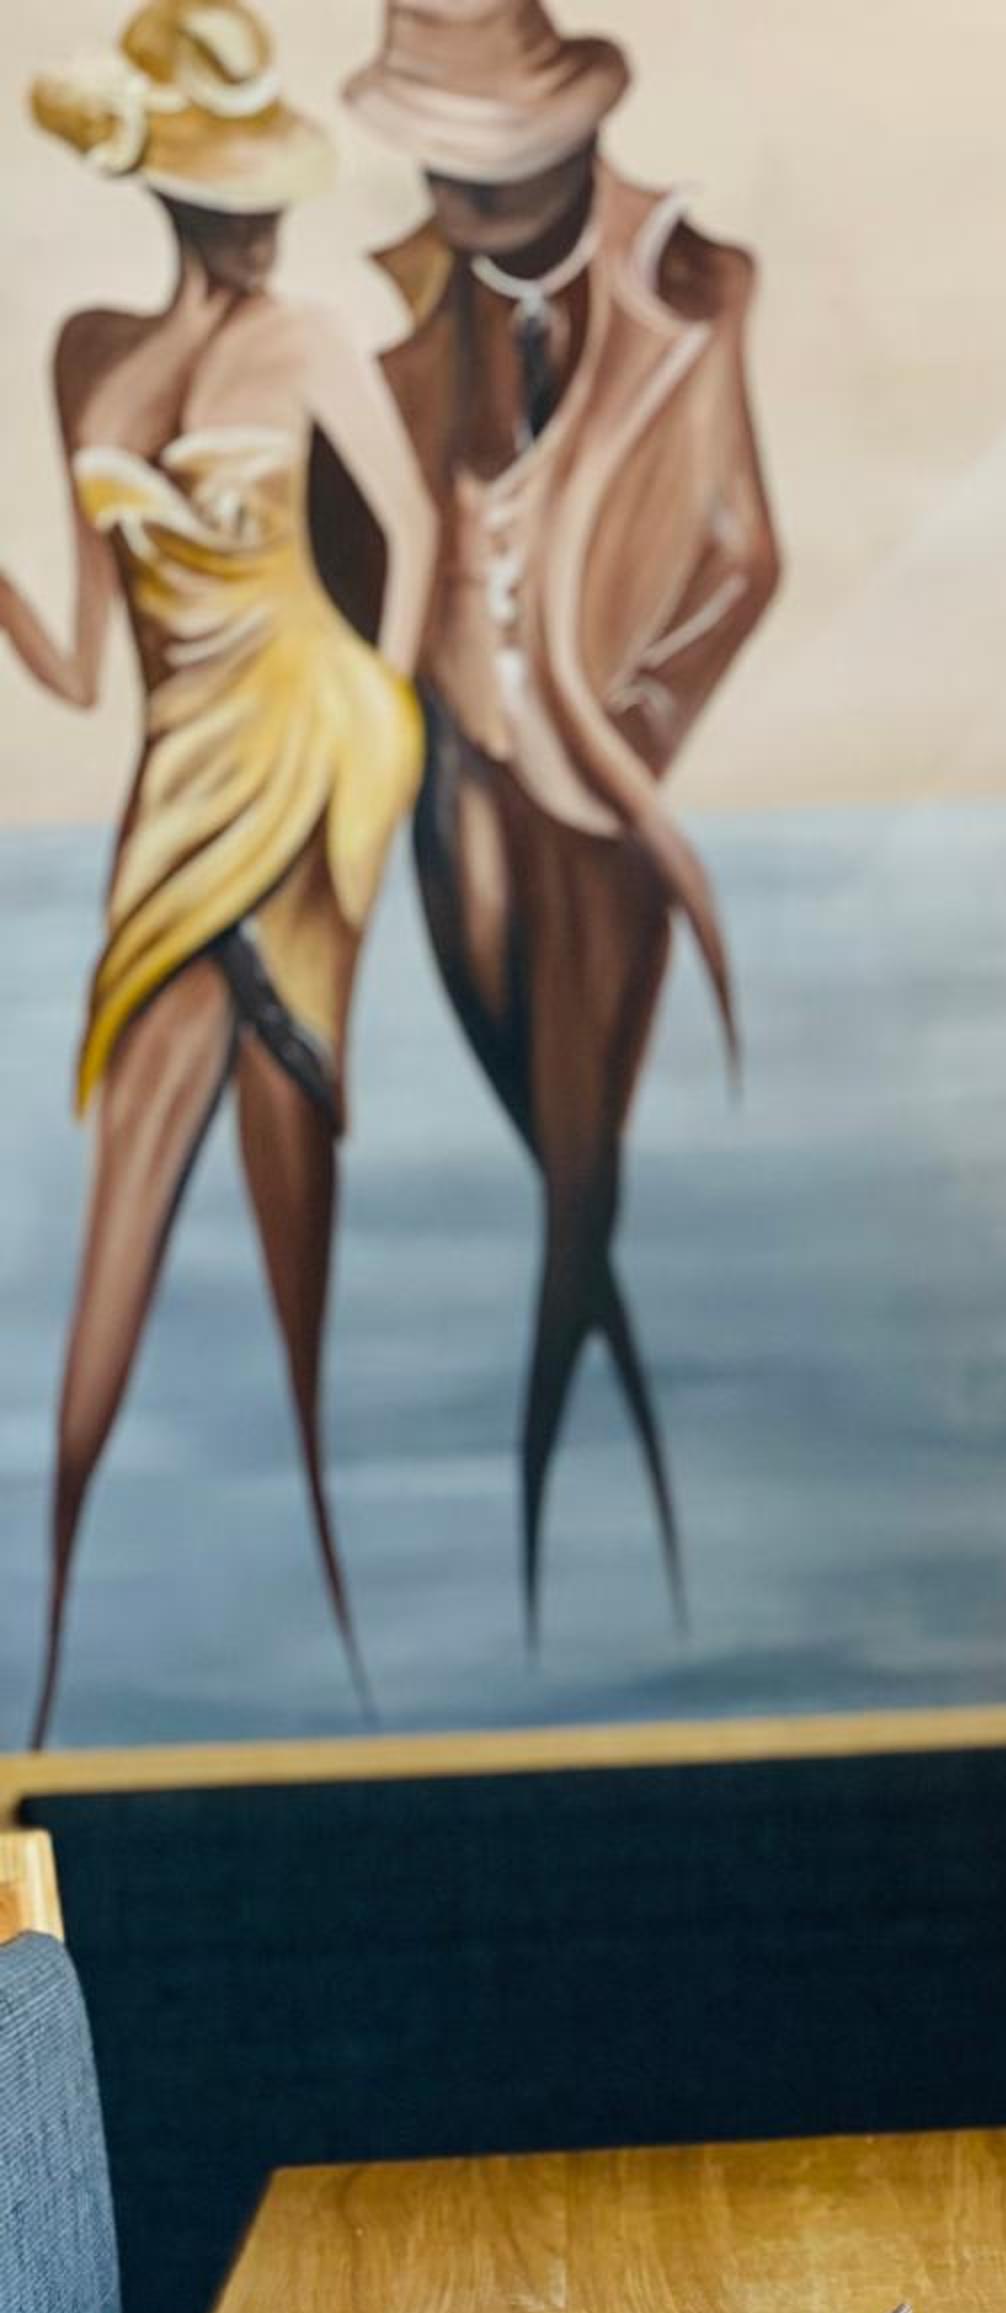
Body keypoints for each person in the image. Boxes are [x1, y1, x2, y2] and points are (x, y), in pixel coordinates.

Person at [7, 2, 434, 1747]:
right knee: (126, 1157)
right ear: (181, 197)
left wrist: (380, 738)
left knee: (283, 1134)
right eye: (234, 196)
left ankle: (337, 1618)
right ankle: (46, 1657)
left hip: (308, 750)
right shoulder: (90, 359)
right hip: (175, 775)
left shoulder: (312, 339)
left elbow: (411, 535)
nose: (261, 225)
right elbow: (82, 661)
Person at [342, 0, 781, 1631]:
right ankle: (587, 1483)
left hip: (601, 789)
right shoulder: (396, 316)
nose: (458, 203)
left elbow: (744, 555)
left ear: (572, 141)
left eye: (490, 167)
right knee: (545, 1121)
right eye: (442, 169)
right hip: (453, 759)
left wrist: (635, 732)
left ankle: (578, 1483)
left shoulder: (698, 290)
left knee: (585, 1144)